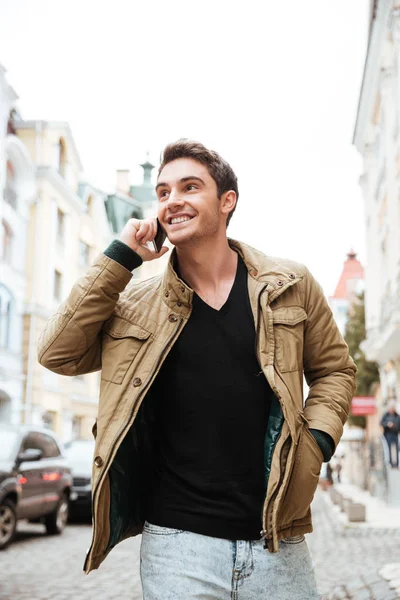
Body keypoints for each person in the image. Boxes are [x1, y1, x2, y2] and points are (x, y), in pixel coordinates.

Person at [38, 140, 356, 599]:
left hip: (277, 538)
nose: (173, 201)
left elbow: (335, 370)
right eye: (163, 192)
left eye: (190, 187)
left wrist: (316, 442)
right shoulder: (136, 308)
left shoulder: (291, 286)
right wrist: (120, 258)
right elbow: (58, 353)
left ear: (227, 201)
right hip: (177, 543)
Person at [381, 401, 400, 468]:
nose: (392, 409)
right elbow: (381, 423)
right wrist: (387, 424)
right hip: (388, 434)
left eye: (393, 408)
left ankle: (396, 464)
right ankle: (390, 463)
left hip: (395, 434)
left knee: (396, 448)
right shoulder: (386, 415)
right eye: (391, 408)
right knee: (389, 448)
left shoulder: (397, 416)